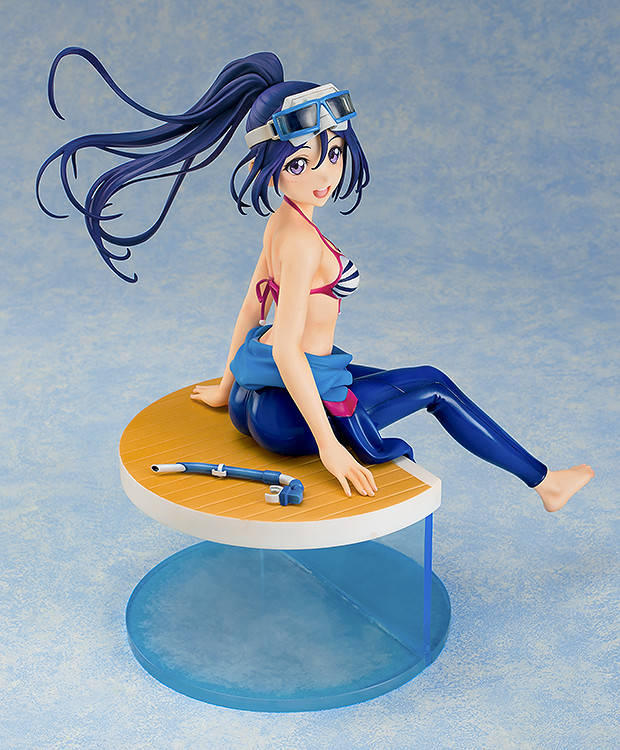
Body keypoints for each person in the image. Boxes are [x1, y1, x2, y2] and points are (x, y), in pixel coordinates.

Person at [38, 48, 594, 510]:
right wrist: (329, 447)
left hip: (253, 400)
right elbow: (285, 347)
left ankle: (542, 479)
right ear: (268, 166)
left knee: (380, 375)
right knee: (435, 385)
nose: (323, 175)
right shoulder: (302, 243)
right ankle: (547, 484)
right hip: (291, 420)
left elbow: (253, 306)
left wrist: (228, 388)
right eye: (299, 164)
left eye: (333, 154)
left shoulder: (282, 223)